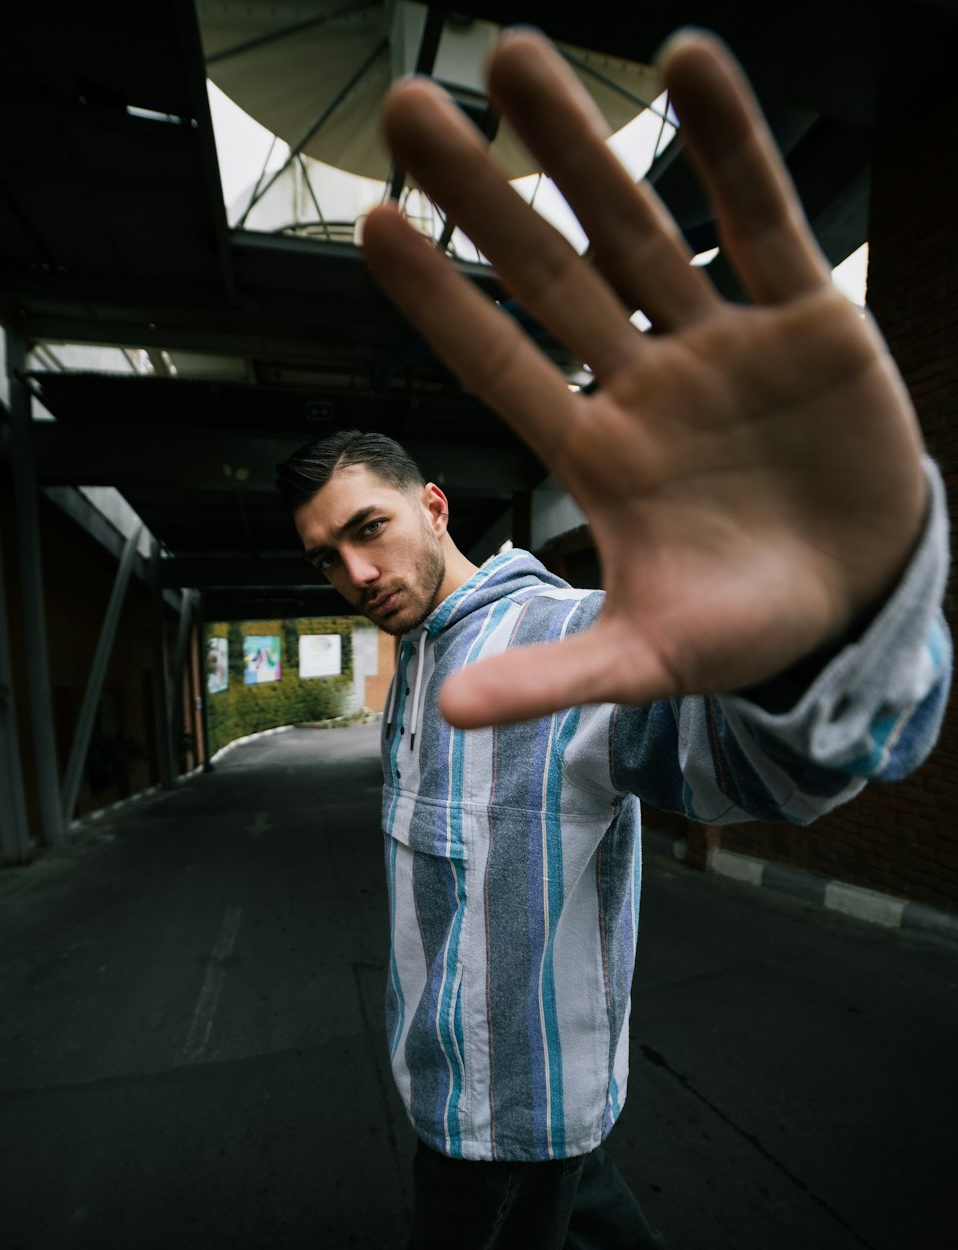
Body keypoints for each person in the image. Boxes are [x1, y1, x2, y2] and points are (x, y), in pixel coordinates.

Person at [275, 28, 951, 1250]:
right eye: (326, 557)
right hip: (454, 1095)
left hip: (506, 1126)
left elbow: (768, 771)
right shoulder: (415, 663)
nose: (354, 571)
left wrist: (828, 612)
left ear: (433, 504)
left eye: (367, 529)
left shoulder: (570, 639)